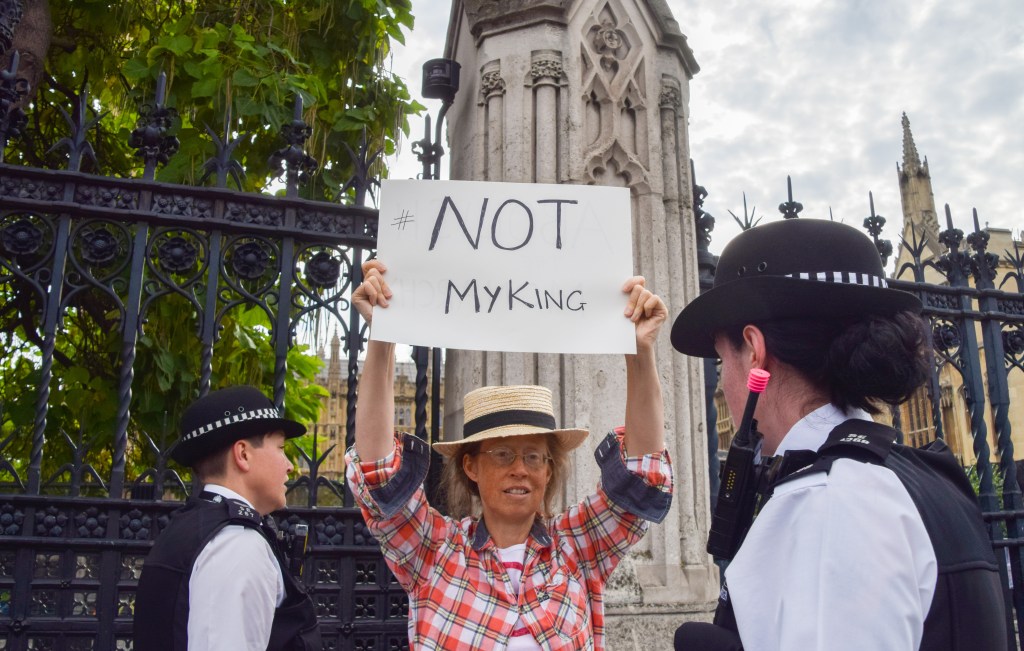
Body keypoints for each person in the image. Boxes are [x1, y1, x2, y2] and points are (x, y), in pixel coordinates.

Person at [670, 218, 1006, 650]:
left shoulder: (826, 501)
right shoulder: (915, 475)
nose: (722, 387)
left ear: (754, 352)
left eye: (722, 363)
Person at [345, 259, 673, 650]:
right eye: (502, 455)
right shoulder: (432, 550)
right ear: (471, 466)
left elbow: (642, 474)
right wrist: (383, 337)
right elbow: (378, 471)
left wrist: (640, 352)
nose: (520, 469)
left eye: (534, 457)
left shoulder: (577, 546)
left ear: (549, 471)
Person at [133, 386, 321, 651]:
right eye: (280, 448)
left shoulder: (190, 528)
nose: (290, 465)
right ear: (243, 454)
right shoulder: (236, 546)